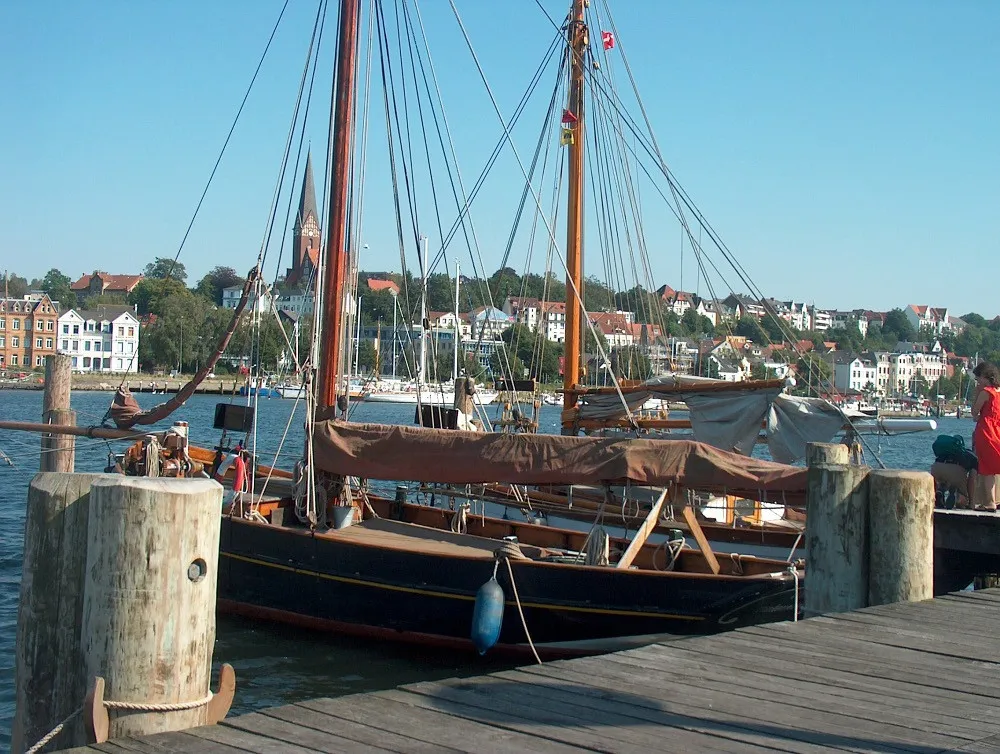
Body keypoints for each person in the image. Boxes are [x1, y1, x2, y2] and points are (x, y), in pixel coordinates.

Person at [971, 362, 1000, 511]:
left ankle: (990, 502)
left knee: (987, 468)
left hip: (986, 431)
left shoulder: (986, 392)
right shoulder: (998, 392)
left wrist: (976, 393)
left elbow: (974, 413)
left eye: (978, 378)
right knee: (993, 467)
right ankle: (992, 501)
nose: (977, 382)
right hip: (998, 431)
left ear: (985, 377)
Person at [929, 434, 977, 509]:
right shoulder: (971, 455)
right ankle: (959, 499)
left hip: (936, 468)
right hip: (955, 471)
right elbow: (972, 479)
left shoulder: (945, 451)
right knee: (962, 495)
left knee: (943, 481)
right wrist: (971, 502)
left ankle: (939, 492)